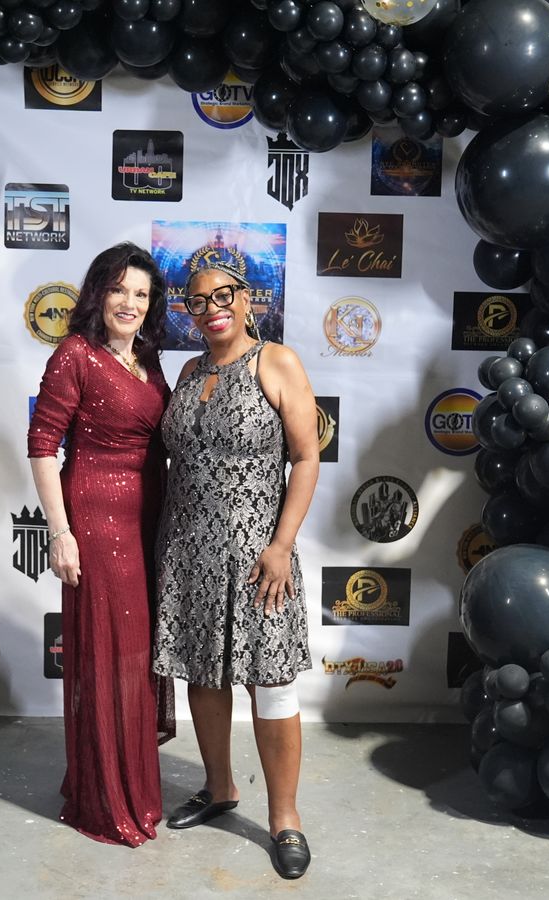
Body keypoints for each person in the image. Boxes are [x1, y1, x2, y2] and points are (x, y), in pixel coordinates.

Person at [152, 261, 320, 879]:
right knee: (203, 674)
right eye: (197, 302)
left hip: (258, 556)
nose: (212, 309)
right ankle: (219, 787)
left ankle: (285, 818)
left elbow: (306, 457)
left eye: (223, 296)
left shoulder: (276, 362)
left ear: (248, 300)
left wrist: (282, 544)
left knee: (271, 683)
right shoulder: (188, 372)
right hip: (187, 550)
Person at [27, 242, 176, 847]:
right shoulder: (75, 354)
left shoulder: (148, 358)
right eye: (119, 289)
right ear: (98, 293)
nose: (130, 303)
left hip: (148, 520)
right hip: (95, 516)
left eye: (141, 293)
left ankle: (129, 781)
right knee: (111, 653)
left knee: (136, 656)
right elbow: (43, 446)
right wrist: (60, 533)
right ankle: (107, 797)